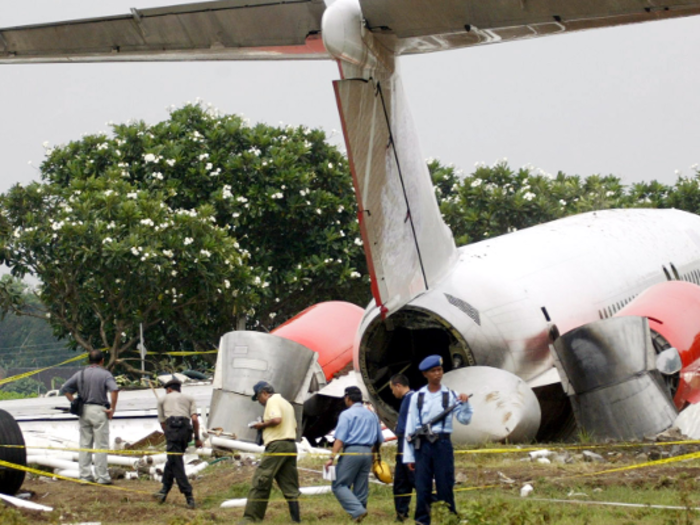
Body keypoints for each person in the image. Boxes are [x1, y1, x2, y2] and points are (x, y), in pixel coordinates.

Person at [403, 355, 473, 525]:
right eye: (433, 371)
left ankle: (449, 519)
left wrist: (464, 403)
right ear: (425, 374)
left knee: (445, 485)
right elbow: (410, 427)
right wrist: (409, 456)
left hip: (442, 444)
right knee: (422, 486)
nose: (437, 374)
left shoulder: (451, 395)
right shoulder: (417, 397)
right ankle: (422, 521)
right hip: (422, 446)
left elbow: (465, 420)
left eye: (439, 370)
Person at [239, 381, 301, 524]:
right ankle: (296, 520)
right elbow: (294, 428)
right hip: (290, 445)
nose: (259, 402)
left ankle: (250, 519)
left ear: (264, 393)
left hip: (277, 445)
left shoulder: (272, 401)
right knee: (289, 485)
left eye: (258, 398)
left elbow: (276, 419)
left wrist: (262, 425)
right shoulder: (287, 404)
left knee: (261, 479)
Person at [324, 386, 383, 523]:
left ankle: (358, 511)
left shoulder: (347, 414)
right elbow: (379, 439)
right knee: (361, 485)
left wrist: (331, 458)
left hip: (352, 451)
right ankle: (358, 516)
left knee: (339, 484)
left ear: (348, 398)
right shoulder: (372, 415)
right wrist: (374, 454)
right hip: (367, 452)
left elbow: (340, 439)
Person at [60, 349, 119, 484]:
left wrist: (74, 402)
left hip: (84, 411)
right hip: (99, 410)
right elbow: (114, 389)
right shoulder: (105, 374)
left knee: (85, 444)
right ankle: (101, 476)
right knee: (101, 444)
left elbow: (65, 389)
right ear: (102, 360)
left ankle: (85, 475)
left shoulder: (80, 374)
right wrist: (112, 409)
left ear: (88, 361)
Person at [153, 377, 202, 509]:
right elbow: (195, 420)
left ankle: (188, 495)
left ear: (168, 390)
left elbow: (162, 423)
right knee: (173, 459)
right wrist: (197, 438)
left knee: (176, 462)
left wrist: (169, 434)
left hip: (172, 430)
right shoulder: (190, 398)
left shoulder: (162, 400)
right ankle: (163, 491)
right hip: (186, 432)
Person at [390, 374, 415, 522]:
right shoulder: (406, 400)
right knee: (400, 482)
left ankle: (437, 506)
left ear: (398, 386)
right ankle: (401, 513)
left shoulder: (411, 399)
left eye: (393, 389)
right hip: (402, 448)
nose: (393, 393)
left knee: (415, 480)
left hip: (409, 447)